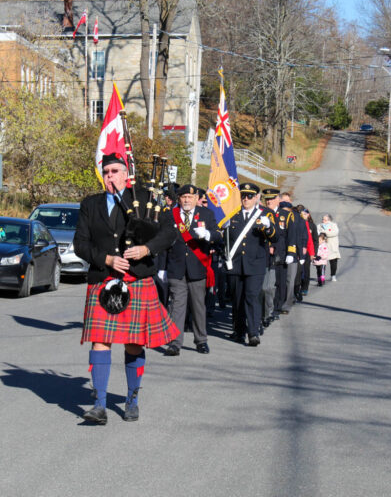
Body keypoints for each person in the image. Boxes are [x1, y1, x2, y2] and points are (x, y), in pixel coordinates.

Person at [74, 153, 179, 425]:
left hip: (137, 279)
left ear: (125, 173)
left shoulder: (145, 200)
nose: (109, 176)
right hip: (103, 280)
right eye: (106, 172)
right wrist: (106, 259)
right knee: (100, 340)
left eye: (114, 171)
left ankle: (132, 398)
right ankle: (98, 405)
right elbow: (80, 244)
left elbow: (170, 233)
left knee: (134, 343)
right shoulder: (90, 204)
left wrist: (146, 248)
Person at [162, 185, 222, 356]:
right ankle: (175, 342)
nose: (186, 200)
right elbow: (163, 241)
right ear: (178, 199)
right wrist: (161, 268)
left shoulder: (206, 214)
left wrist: (208, 235)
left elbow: (218, 235)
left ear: (197, 198)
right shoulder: (169, 215)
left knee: (198, 306)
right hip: (176, 266)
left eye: (190, 196)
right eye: (183, 197)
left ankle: (201, 340)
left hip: (198, 266)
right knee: (177, 306)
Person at [224, 183, 276, 346]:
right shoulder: (232, 215)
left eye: (249, 196)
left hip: (255, 264)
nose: (246, 199)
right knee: (238, 298)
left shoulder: (264, 214)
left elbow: (275, 238)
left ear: (256, 198)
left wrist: (268, 227)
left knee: (251, 297)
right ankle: (239, 331)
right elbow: (225, 239)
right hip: (236, 264)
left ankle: (253, 333)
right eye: (243, 196)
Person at [260, 189, 281, 329]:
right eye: (267, 199)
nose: (269, 201)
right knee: (261, 289)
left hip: (273, 255)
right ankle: (261, 315)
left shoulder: (279, 214)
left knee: (268, 288)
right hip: (260, 255)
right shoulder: (262, 213)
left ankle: (268, 313)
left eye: (272, 199)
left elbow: (279, 235)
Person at [297, 208, 318, 295]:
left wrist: (314, 253)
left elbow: (315, 240)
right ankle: (297, 287)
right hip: (299, 250)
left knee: (306, 270)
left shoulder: (312, 225)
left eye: (305, 214)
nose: (303, 216)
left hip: (308, 251)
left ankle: (304, 288)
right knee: (298, 270)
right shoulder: (297, 224)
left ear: (308, 215)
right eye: (302, 214)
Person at [318, 214, 341, 281]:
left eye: (325, 219)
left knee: (333, 261)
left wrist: (324, 232)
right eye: (323, 219)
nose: (323, 221)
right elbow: (317, 233)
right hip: (322, 246)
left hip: (332, 246)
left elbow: (335, 233)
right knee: (321, 262)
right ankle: (321, 276)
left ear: (329, 220)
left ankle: (333, 275)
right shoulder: (319, 226)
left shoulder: (333, 225)